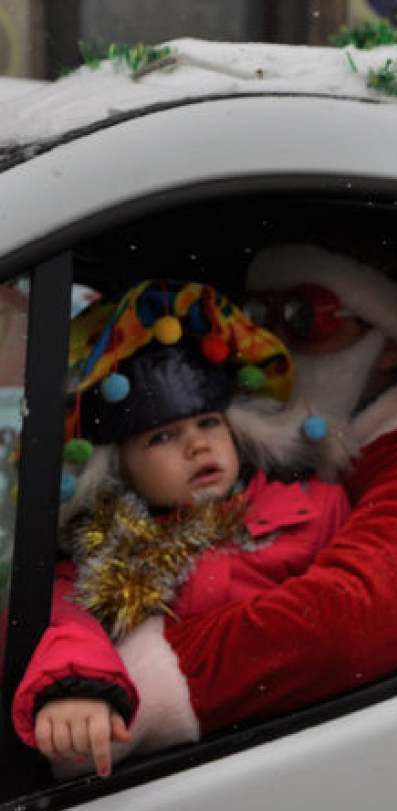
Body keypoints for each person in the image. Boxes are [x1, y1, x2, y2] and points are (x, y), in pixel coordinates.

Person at [92, 245, 397, 765]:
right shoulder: (282, 459)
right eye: (259, 317)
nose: (275, 343)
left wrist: (131, 684)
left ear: (391, 345)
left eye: (305, 317)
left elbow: (347, 622)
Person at [12, 279, 351, 778]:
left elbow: (351, 605)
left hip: (318, 742)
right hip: (195, 775)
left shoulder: (315, 511)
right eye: (163, 437)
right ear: (118, 467)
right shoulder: (100, 561)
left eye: (209, 424)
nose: (197, 446)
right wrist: (77, 689)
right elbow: (65, 625)